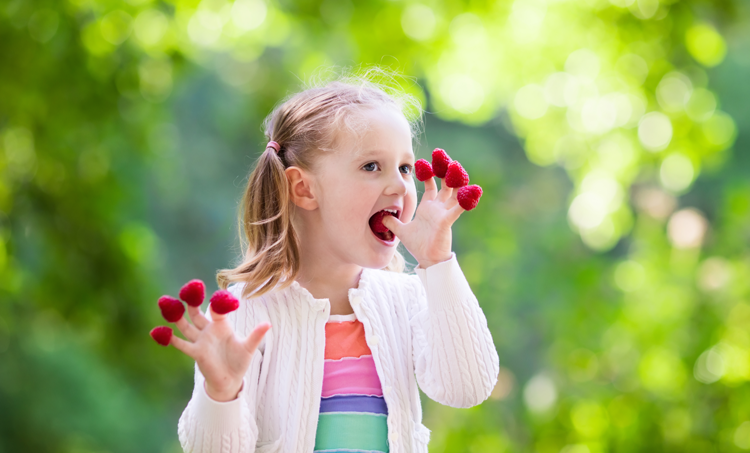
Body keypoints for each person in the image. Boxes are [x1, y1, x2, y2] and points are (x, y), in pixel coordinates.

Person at [161, 67, 500, 453]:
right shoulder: (247, 312)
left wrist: (438, 263)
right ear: (304, 188)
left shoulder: (406, 300)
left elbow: (467, 387)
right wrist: (221, 392)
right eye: (371, 166)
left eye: (405, 167)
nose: (400, 185)